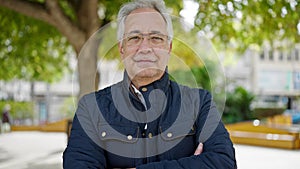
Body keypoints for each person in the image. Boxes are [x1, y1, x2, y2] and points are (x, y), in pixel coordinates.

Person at [63, 0, 236, 168]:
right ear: (122, 49)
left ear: (168, 47)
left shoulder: (200, 103)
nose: (145, 47)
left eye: (156, 38)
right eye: (135, 37)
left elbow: (224, 163)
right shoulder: (91, 108)